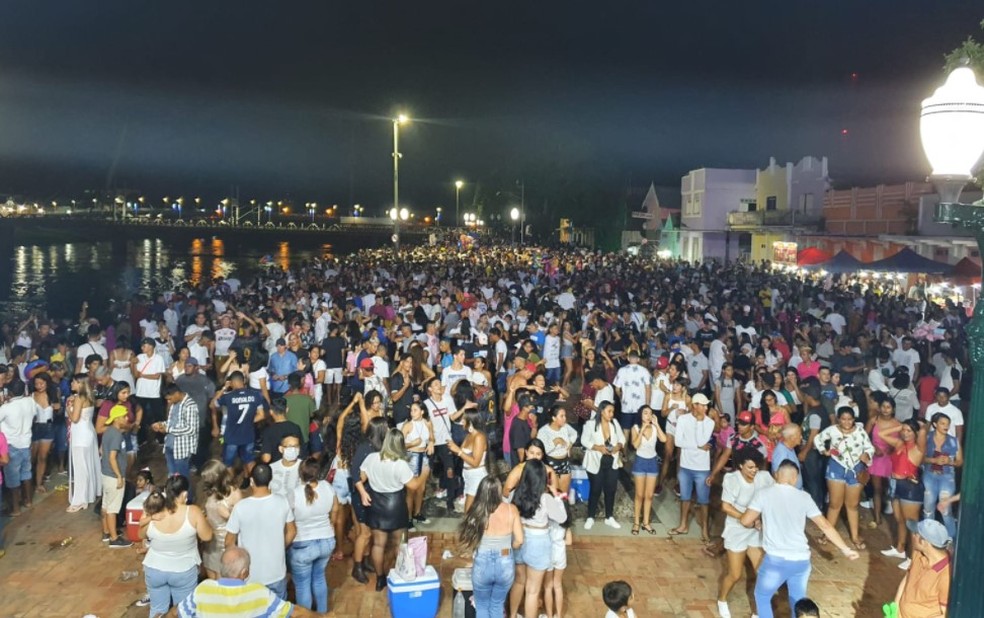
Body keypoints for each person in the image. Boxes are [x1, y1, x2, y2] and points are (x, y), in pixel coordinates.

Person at [740, 461, 859, 618]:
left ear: (776, 474)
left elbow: (745, 521)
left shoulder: (764, 494)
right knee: (798, 604)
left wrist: (757, 523)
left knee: (762, 597)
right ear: (795, 479)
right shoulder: (804, 497)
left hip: (775, 560)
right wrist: (846, 549)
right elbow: (825, 526)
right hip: (801, 561)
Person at [356, 428, 425, 591]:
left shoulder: (372, 458)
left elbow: (361, 477)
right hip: (395, 506)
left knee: (378, 545)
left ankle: (380, 578)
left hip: (376, 504)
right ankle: (401, 574)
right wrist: (424, 474)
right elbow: (414, 486)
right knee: (400, 544)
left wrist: (366, 489)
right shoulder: (400, 464)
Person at [140, 475, 213, 617]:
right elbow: (207, 536)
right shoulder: (193, 512)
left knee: (157, 609)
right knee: (183, 612)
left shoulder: (156, 509)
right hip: (183, 571)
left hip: (154, 569)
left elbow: (141, 534)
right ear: (184, 494)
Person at [177, 547, 320, 618]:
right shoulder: (258, 592)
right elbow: (296, 612)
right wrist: (324, 616)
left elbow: (177, 613)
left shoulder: (204, 590)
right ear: (244, 572)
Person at [716, 449, 774, 618]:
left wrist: (761, 520)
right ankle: (722, 600)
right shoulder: (731, 479)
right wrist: (746, 519)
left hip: (755, 531)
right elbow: (725, 507)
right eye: (750, 467)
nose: (753, 471)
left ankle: (757, 611)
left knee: (761, 572)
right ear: (740, 466)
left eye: (756, 467)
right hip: (737, 530)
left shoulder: (764, 477)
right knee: (735, 574)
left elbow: (772, 498)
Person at [226, 463, 296, 599]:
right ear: (270, 480)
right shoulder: (282, 502)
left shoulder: (241, 507)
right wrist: (280, 547)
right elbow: (292, 532)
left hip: (248, 576)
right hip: (276, 573)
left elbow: (229, 542)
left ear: (251, 481)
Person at [457, 476, 523, 618]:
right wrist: (509, 546)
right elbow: (520, 540)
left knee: (481, 606)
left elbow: (468, 541)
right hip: (505, 562)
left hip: (482, 563)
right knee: (497, 605)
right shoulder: (512, 509)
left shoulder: (476, 511)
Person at [509, 459, 567, 618]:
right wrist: (556, 497)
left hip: (519, 537)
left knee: (519, 581)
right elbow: (562, 518)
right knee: (533, 591)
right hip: (539, 541)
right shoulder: (545, 498)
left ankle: (512, 615)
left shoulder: (516, 494)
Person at [813, 406, 874, 551]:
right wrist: (824, 450)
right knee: (835, 504)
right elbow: (818, 439)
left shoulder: (860, 431)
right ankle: (827, 534)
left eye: (850, 419)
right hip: (836, 468)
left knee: (852, 505)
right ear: (838, 419)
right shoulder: (832, 430)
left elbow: (869, 448)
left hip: (856, 470)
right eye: (843, 419)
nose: (846, 422)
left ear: (854, 419)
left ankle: (854, 536)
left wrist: (867, 456)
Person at [290, 457, 339, 612]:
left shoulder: (295, 494)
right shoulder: (327, 487)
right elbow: (336, 509)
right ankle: (322, 613)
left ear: (300, 474)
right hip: (326, 541)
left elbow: (288, 520)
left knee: (303, 585)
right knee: (319, 578)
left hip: (303, 544)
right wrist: (332, 522)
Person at [878, 420, 924, 571]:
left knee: (912, 524)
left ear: (916, 433)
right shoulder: (898, 443)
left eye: (909, 431)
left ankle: (913, 558)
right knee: (900, 520)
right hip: (895, 484)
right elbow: (881, 433)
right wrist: (901, 426)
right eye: (903, 430)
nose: (905, 433)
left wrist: (918, 426)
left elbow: (923, 431)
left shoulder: (918, 448)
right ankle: (900, 549)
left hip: (909, 487)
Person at [670, 392, 715, 541]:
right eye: (703, 405)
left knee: (703, 500)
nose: (706, 408)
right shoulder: (683, 419)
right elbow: (678, 442)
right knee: (685, 497)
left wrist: (700, 422)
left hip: (702, 467)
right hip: (686, 465)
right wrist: (697, 446)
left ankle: (704, 530)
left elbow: (703, 440)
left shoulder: (709, 422)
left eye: (706, 405)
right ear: (695, 406)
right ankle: (683, 525)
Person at [580, 401, 625, 530]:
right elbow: (584, 440)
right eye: (609, 411)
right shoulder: (590, 424)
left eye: (613, 411)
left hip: (612, 461)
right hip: (596, 461)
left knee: (610, 489)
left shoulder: (614, 424)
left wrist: (619, 446)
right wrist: (597, 447)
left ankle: (609, 517)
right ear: (602, 411)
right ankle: (590, 516)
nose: (611, 414)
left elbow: (622, 439)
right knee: (595, 489)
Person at [894, 519, 951, 618]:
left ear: (924, 542)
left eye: (916, 534)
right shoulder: (919, 553)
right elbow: (908, 578)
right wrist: (895, 607)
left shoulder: (946, 575)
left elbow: (945, 614)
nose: (913, 535)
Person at [154, 384, 200, 504]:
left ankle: (188, 500)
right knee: (173, 476)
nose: (168, 401)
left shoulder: (190, 405)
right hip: (170, 445)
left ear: (176, 394)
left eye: (170, 398)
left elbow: (191, 429)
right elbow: (171, 422)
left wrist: (168, 429)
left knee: (182, 477)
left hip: (182, 447)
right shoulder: (174, 404)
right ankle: (176, 499)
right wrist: (161, 424)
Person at [211, 370, 265, 467]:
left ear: (231, 382)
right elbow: (261, 415)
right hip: (248, 435)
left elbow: (212, 405)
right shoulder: (256, 395)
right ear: (243, 381)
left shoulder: (228, 397)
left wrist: (224, 388)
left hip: (232, 436)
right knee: (249, 461)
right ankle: (250, 480)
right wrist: (248, 420)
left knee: (228, 464)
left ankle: (230, 482)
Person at [920, 412, 961, 538]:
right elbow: (919, 458)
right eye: (942, 423)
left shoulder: (954, 441)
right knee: (928, 509)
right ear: (934, 424)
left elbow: (960, 461)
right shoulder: (926, 438)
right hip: (929, 475)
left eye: (948, 424)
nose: (946, 426)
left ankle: (950, 540)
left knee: (945, 509)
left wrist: (950, 462)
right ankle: (928, 538)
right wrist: (934, 460)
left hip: (947, 477)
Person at [200, 460, 243, 580]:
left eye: (207, 478)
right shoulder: (210, 491)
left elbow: (242, 520)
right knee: (211, 580)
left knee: (222, 581)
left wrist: (229, 515)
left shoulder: (234, 492)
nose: (205, 481)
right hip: (210, 543)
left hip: (225, 542)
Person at [66, 375, 100, 512]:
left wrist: (68, 408)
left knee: (81, 467)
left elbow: (74, 419)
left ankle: (80, 499)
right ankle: (90, 493)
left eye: (73, 382)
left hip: (80, 435)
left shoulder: (79, 398)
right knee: (88, 464)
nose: (71, 384)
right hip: (89, 432)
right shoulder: (89, 397)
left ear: (79, 384)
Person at [630, 404, 666, 535]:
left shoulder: (655, 428)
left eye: (650, 413)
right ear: (640, 415)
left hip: (652, 462)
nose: (648, 415)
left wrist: (656, 424)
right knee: (639, 495)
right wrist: (642, 430)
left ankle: (646, 523)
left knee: (649, 496)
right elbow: (635, 445)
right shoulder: (635, 428)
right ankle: (636, 523)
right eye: (645, 413)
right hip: (640, 462)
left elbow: (664, 439)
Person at [101, 404, 133, 548]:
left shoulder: (108, 432)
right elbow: (113, 457)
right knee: (113, 508)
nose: (127, 418)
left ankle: (107, 532)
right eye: (125, 416)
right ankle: (114, 539)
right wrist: (119, 476)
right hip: (114, 476)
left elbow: (102, 451)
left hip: (106, 474)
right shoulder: (117, 435)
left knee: (106, 506)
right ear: (118, 418)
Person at [448, 409, 489, 514]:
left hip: (477, 475)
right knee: (472, 509)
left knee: (469, 509)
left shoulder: (479, 437)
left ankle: (470, 529)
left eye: (463, 419)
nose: (461, 421)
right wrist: (453, 449)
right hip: (467, 475)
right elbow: (461, 454)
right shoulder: (468, 436)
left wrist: (458, 451)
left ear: (470, 421)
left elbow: (475, 463)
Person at [401, 400, 434, 526]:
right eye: (411, 410)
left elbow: (431, 437)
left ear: (422, 411)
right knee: (411, 489)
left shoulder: (427, 423)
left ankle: (417, 513)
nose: (412, 412)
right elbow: (399, 444)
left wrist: (431, 442)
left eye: (415, 410)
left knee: (421, 488)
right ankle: (408, 518)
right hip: (411, 456)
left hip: (424, 455)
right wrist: (411, 444)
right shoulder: (408, 425)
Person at [537, 404, 578, 496]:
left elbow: (574, 433)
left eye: (565, 416)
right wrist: (555, 442)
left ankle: (564, 509)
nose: (565, 418)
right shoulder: (543, 431)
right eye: (561, 416)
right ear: (554, 418)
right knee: (553, 494)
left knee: (563, 494)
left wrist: (570, 443)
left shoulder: (565, 427)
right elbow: (542, 451)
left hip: (564, 462)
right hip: (551, 463)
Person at [260, 398, 303, 464]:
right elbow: (301, 450)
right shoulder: (296, 427)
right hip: (294, 464)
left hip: (276, 468)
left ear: (271, 412)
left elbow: (266, 458)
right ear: (287, 409)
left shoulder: (268, 431)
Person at [270, 434, 302, 508]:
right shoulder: (272, 468)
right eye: (289, 446)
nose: (293, 449)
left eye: (296, 446)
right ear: (281, 449)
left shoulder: (304, 467)